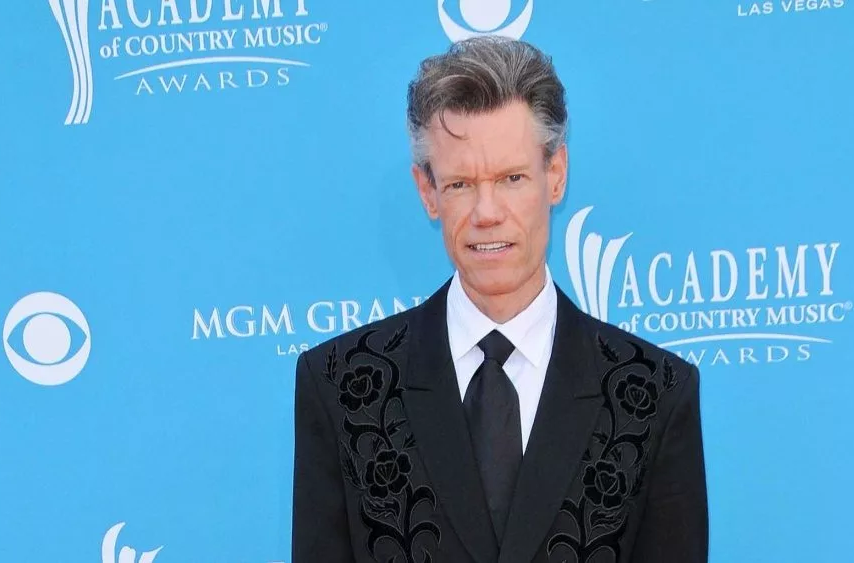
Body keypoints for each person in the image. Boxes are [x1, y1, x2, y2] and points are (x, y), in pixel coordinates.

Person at [292, 36, 708, 563]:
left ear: (554, 175)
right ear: (427, 191)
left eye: (511, 178)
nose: (487, 212)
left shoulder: (652, 392)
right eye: (462, 183)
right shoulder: (342, 385)